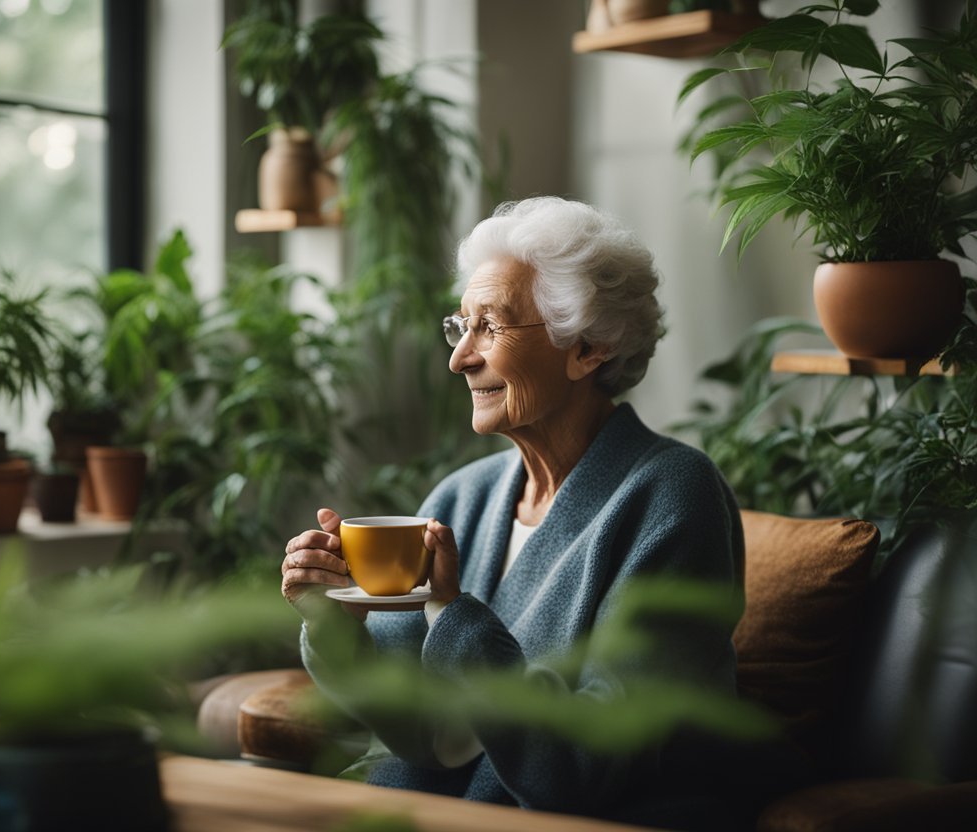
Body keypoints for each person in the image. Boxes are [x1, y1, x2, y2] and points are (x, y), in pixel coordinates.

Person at [280, 197, 744, 828]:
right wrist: (333, 621)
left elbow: (585, 766)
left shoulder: (672, 496)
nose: (459, 357)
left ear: (586, 349)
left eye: (490, 327)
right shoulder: (461, 498)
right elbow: (411, 722)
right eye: (459, 326)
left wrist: (453, 614)